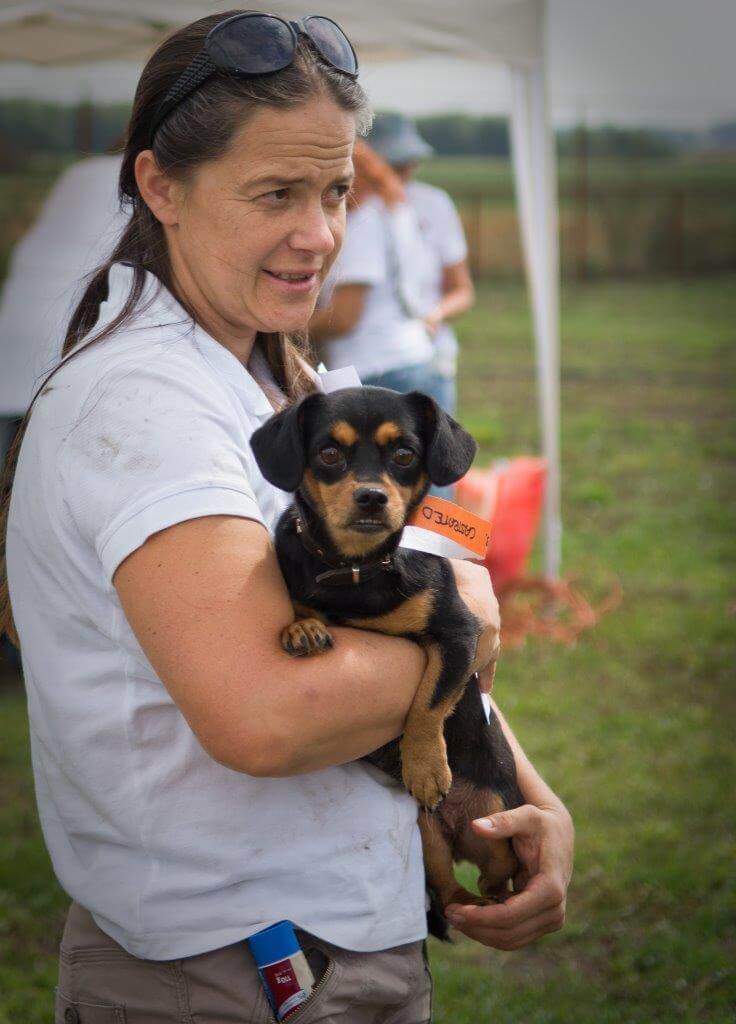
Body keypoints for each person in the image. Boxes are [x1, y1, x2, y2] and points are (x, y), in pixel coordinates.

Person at [1, 12, 573, 1023]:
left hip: (321, 942)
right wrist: (466, 629)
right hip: (235, 968)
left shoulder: (282, 379)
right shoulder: (147, 405)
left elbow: (386, 602)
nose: (320, 235)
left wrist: (528, 795)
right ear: (160, 186)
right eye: (276, 194)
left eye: (336, 191)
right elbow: (267, 716)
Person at [368, 112, 476, 417]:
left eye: (409, 161)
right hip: (365, 361)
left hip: (428, 356)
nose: (404, 170)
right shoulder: (353, 209)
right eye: (393, 162)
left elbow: (462, 290)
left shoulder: (435, 203)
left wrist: (436, 314)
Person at [309, 141, 436, 397]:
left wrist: (278, 330)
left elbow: (344, 317)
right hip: (408, 356)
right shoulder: (395, 212)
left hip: (375, 367)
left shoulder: (362, 222)